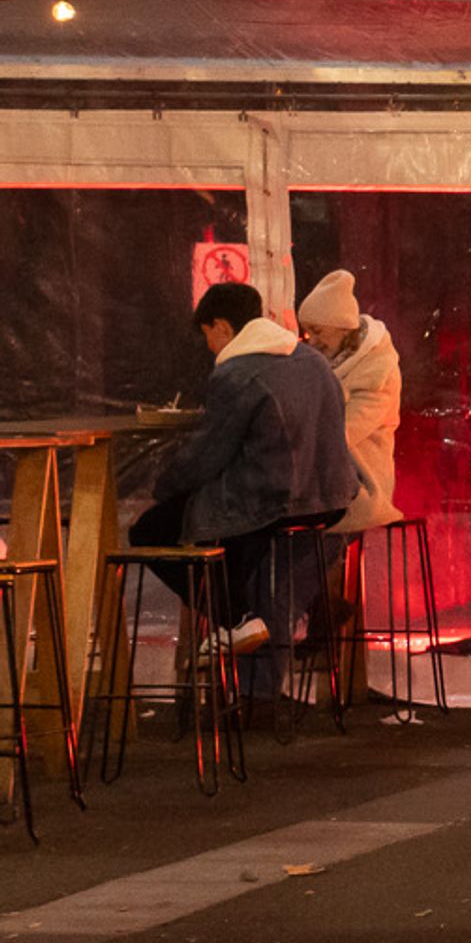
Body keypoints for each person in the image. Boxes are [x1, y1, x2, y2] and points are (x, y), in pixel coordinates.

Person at [132, 281, 362, 664]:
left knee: (150, 531)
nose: (209, 347)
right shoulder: (312, 360)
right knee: (233, 534)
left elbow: (207, 456)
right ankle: (308, 608)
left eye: (208, 335)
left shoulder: (237, 373)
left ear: (221, 327)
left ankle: (235, 619)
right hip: (333, 499)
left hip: (278, 501)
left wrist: (164, 489)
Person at [295, 269, 402, 533]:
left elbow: (341, 434)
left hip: (360, 488)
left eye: (318, 331)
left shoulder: (377, 372)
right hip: (328, 484)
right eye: (308, 332)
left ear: (343, 328)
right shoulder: (330, 362)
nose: (313, 341)